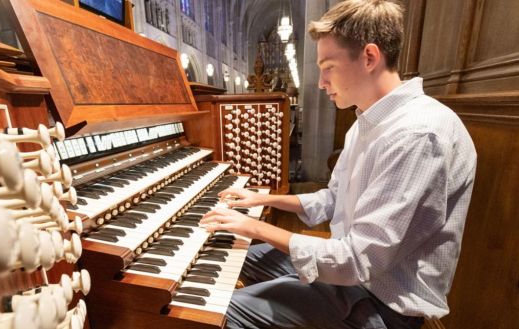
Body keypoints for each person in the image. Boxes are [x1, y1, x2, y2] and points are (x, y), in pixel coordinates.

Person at [199, 0, 477, 328]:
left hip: (383, 304)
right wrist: (263, 198)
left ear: (369, 57)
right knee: (223, 252)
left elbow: (359, 260)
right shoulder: (367, 121)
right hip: (353, 276)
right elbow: (331, 199)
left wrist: (256, 227)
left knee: (213, 314)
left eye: (328, 66)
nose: (320, 82)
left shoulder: (417, 133)